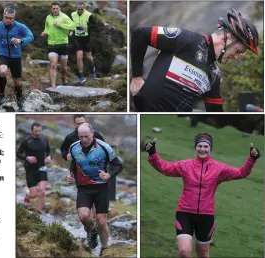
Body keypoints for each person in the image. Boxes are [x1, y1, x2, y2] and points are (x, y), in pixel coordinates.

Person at [143, 133, 260, 258]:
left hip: (206, 216)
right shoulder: (185, 165)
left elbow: (241, 173)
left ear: (210, 149)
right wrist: (152, 153)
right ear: (195, 147)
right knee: (184, 251)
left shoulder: (219, 168)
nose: (202, 149)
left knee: (203, 253)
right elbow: (164, 168)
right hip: (184, 213)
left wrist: (252, 159)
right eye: (200, 146)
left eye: (206, 146)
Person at [130, 8, 259, 112]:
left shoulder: (214, 75)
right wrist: (136, 78)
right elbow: (140, 34)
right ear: (228, 38)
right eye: (238, 51)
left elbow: (215, 113)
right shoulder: (187, 39)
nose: (236, 57)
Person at [66, 123, 123, 256]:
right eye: (81, 137)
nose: (84, 140)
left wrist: (109, 174)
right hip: (84, 187)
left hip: (101, 188)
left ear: (92, 134)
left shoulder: (104, 147)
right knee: (83, 215)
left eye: (86, 136)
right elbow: (74, 163)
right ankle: (92, 233)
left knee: (101, 221)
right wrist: (71, 175)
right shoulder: (74, 147)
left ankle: (104, 249)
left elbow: (118, 166)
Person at [0, 6, 34, 110]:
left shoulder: (20, 26)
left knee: (17, 83)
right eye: (6, 17)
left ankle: (20, 103)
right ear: (3, 15)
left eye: (10, 18)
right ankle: (1, 94)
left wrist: (20, 41)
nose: (8, 20)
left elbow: (30, 36)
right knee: (3, 71)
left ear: (14, 18)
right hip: (3, 55)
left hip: (16, 57)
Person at [16, 122, 52, 211]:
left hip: (42, 168)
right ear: (32, 131)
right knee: (34, 195)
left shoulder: (44, 139)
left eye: (40, 131)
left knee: (42, 191)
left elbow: (48, 150)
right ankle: (28, 195)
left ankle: (39, 213)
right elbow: (18, 153)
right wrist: (27, 157)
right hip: (30, 169)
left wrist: (49, 157)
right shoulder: (26, 141)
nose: (38, 133)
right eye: (36, 131)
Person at [41, 2, 75, 87]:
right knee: (53, 64)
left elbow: (73, 26)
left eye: (57, 8)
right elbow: (47, 27)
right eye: (53, 8)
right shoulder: (48, 17)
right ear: (51, 9)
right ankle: (53, 87)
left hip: (63, 44)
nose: (55, 10)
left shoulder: (64, 17)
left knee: (63, 67)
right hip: (52, 44)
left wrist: (61, 25)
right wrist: (45, 32)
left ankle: (63, 77)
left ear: (59, 9)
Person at [70, 2, 97, 83]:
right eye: (79, 9)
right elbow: (70, 24)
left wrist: (87, 26)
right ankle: (81, 75)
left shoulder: (88, 15)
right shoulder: (72, 14)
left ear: (84, 8)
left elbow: (94, 25)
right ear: (76, 8)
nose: (80, 11)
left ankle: (92, 68)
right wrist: (71, 31)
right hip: (77, 38)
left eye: (82, 9)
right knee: (79, 55)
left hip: (86, 39)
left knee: (88, 57)